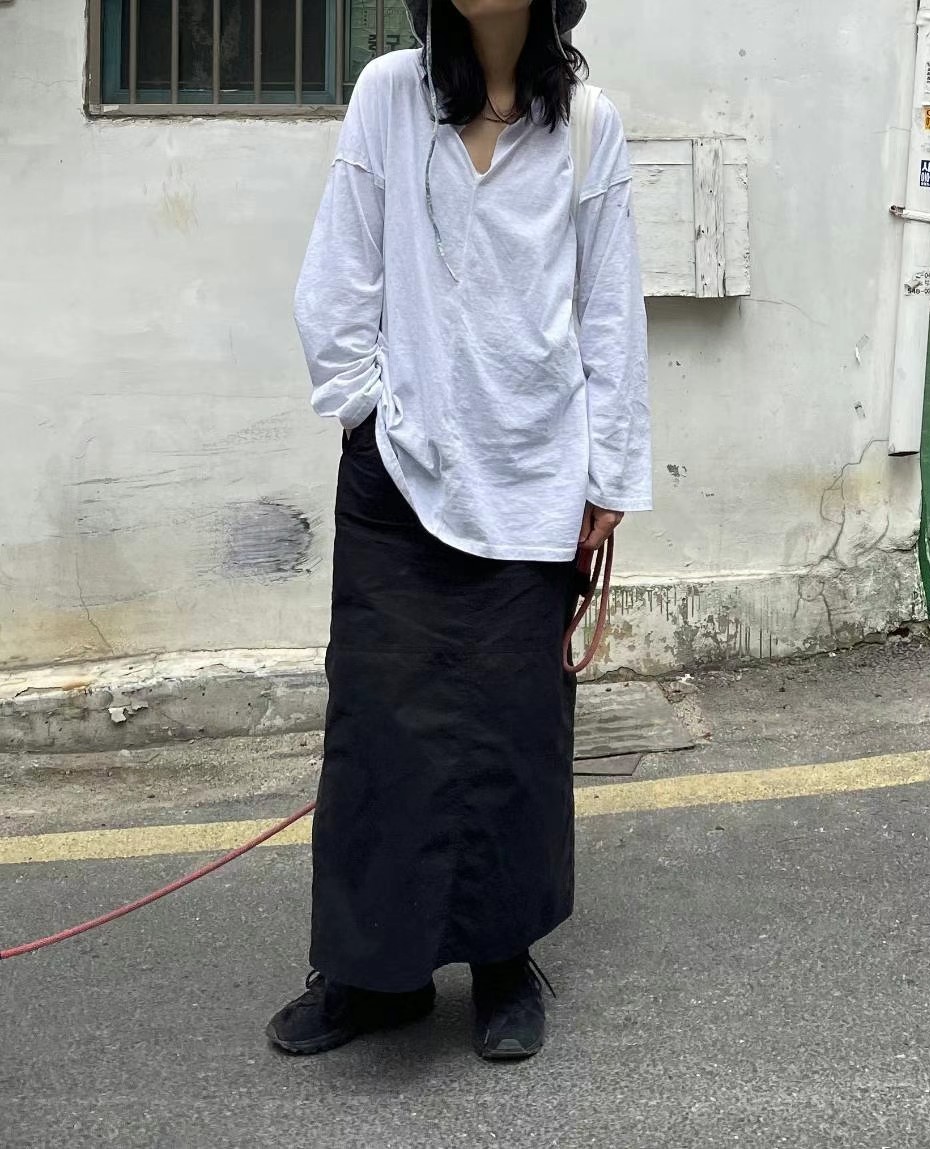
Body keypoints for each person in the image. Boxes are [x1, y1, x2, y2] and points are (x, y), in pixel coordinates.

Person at [267, 0, 651, 1063]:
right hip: (399, 471)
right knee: (378, 731)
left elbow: (611, 309)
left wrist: (608, 473)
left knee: (509, 736)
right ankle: (368, 975)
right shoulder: (390, 95)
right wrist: (364, 408)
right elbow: (340, 267)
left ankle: (502, 964)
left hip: (533, 480)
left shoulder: (589, 125)